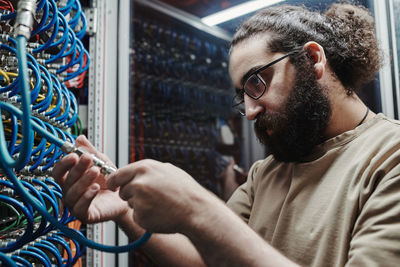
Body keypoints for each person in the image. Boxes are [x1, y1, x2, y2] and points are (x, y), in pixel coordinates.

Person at [53, 3, 400, 266]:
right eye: (242, 95)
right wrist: (123, 208)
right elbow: (205, 257)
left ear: (312, 59)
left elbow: (209, 224)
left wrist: (196, 206)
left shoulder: (389, 157)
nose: (249, 111)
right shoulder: (269, 172)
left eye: (256, 83)